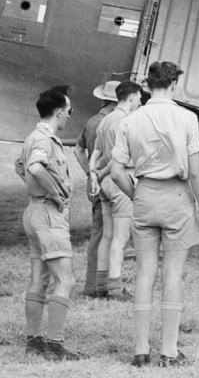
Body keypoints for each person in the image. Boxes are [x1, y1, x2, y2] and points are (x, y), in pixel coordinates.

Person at [111, 61, 199, 368]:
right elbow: (195, 171)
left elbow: (117, 171)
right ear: (174, 85)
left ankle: (141, 350)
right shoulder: (187, 117)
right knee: (173, 274)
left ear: (147, 86)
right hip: (177, 198)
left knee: (145, 274)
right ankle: (169, 351)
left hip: (144, 194)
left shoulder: (130, 120)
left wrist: (136, 195)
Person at [15, 85, 82, 360]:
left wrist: (36, 190)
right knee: (66, 280)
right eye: (69, 111)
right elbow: (32, 168)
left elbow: (19, 166)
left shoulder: (33, 136)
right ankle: (54, 345)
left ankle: (34, 342)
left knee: (39, 281)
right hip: (47, 215)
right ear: (58, 112)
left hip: (33, 211)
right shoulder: (45, 139)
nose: (69, 116)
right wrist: (54, 193)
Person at [89, 80, 144, 301]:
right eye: (139, 96)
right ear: (131, 97)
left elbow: (96, 153)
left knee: (107, 236)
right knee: (120, 239)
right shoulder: (128, 120)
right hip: (120, 182)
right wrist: (103, 174)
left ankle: (101, 285)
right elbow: (117, 158)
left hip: (105, 186)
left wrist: (94, 174)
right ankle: (115, 288)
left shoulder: (105, 120)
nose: (141, 101)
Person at [74, 80, 117, 298]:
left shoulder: (92, 122)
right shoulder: (108, 124)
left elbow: (78, 151)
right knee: (101, 234)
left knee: (101, 232)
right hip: (106, 184)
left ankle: (99, 283)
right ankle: (93, 286)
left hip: (95, 183)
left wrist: (89, 174)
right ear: (114, 103)